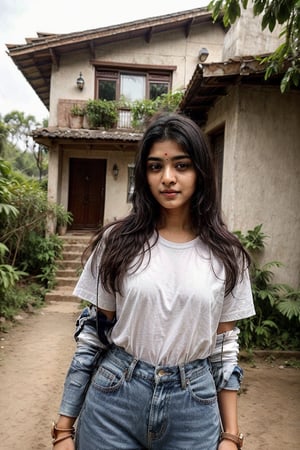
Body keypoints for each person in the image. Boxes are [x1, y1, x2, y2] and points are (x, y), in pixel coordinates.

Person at [51, 112, 255, 450]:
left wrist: (231, 436)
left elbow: (224, 350)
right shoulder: (117, 242)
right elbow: (93, 336)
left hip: (194, 406)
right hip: (114, 400)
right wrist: (63, 428)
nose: (168, 178)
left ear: (201, 171)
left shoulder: (227, 254)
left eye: (182, 165)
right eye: (155, 167)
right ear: (144, 174)